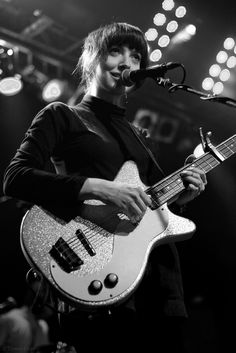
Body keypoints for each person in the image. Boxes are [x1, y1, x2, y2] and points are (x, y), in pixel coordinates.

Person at [3, 22, 207, 352]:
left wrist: (181, 196)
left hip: (157, 286)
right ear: (91, 59)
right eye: (115, 52)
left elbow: (149, 209)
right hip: (96, 278)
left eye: (136, 56)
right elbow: (15, 178)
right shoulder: (62, 115)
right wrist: (97, 187)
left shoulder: (140, 137)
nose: (128, 62)